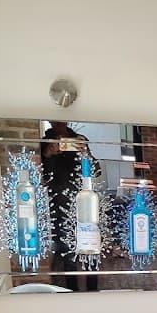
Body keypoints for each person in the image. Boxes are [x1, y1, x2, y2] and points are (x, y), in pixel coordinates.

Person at [42, 121, 99, 291]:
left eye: (62, 120)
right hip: (59, 205)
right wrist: (48, 154)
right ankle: (72, 291)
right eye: (56, 121)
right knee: (68, 253)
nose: (60, 124)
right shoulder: (45, 142)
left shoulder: (79, 140)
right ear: (51, 122)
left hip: (86, 204)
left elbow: (96, 171)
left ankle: (92, 290)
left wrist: (85, 154)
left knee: (91, 249)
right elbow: (44, 176)